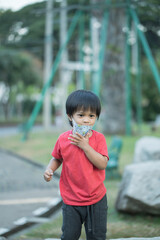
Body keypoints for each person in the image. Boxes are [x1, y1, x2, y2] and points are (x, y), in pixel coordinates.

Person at [44, 89, 109, 240]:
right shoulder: (63, 139)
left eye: (91, 116)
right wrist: (50, 169)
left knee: (96, 236)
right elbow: (57, 158)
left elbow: (102, 164)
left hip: (96, 199)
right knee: (69, 236)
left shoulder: (99, 139)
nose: (86, 120)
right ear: (70, 116)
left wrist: (85, 146)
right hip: (71, 199)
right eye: (81, 115)